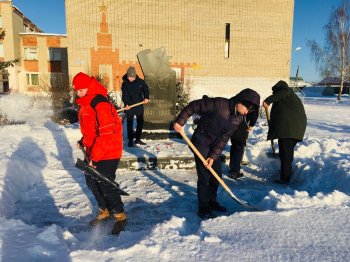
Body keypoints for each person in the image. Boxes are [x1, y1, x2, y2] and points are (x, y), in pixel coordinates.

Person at [173, 89, 260, 219]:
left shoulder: (238, 119)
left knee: (216, 175)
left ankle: (212, 202)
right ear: (240, 100)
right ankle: (203, 208)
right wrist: (180, 121)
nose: (246, 112)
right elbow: (194, 106)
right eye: (247, 108)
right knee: (204, 177)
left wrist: (213, 157)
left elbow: (223, 139)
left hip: (213, 147)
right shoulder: (219, 104)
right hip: (200, 143)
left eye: (250, 111)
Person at [72, 72, 126, 235]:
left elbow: (107, 133)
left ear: (88, 87)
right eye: (76, 90)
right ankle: (104, 210)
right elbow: (92, 128)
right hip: (94, 149)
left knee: (105, 184)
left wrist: (94, 157)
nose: (77, 93)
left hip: (108, 151)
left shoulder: (100, 103)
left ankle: (120, 215)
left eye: (80, 90)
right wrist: (84, 141)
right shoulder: (87, 103)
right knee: (91, 182)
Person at [263, 80, 307, 185]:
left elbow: (282, 93)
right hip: (292, 128)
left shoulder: (286, 91)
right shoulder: (286, 99)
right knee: (286, 152)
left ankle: (285, 178)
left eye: (275, 92)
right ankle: (285, 171)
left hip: (289, 129)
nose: (275, 94)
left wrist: (268, 101)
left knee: (286, 153)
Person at [121, 66, 150, 147]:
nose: (130, 78)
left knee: (140, 122)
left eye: (131, 77)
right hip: (129, 105)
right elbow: (124, 95)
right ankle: (130, 139)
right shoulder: (125, 84)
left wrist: (146, 97)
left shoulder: (140, 82)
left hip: (139, 104)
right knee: (129, 123)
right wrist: (126, 103)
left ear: (134, 75)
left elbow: (146, 89)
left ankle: (137, 139)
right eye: (128, 76)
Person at [229, 102, 259, 179]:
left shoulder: (240, 102)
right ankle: (235, 171)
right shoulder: (253, 106)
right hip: (242, 127)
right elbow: (254, 115)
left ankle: (232, 167)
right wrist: (251, 125)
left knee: (234, 146)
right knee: (239, 148)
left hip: (233, 126)